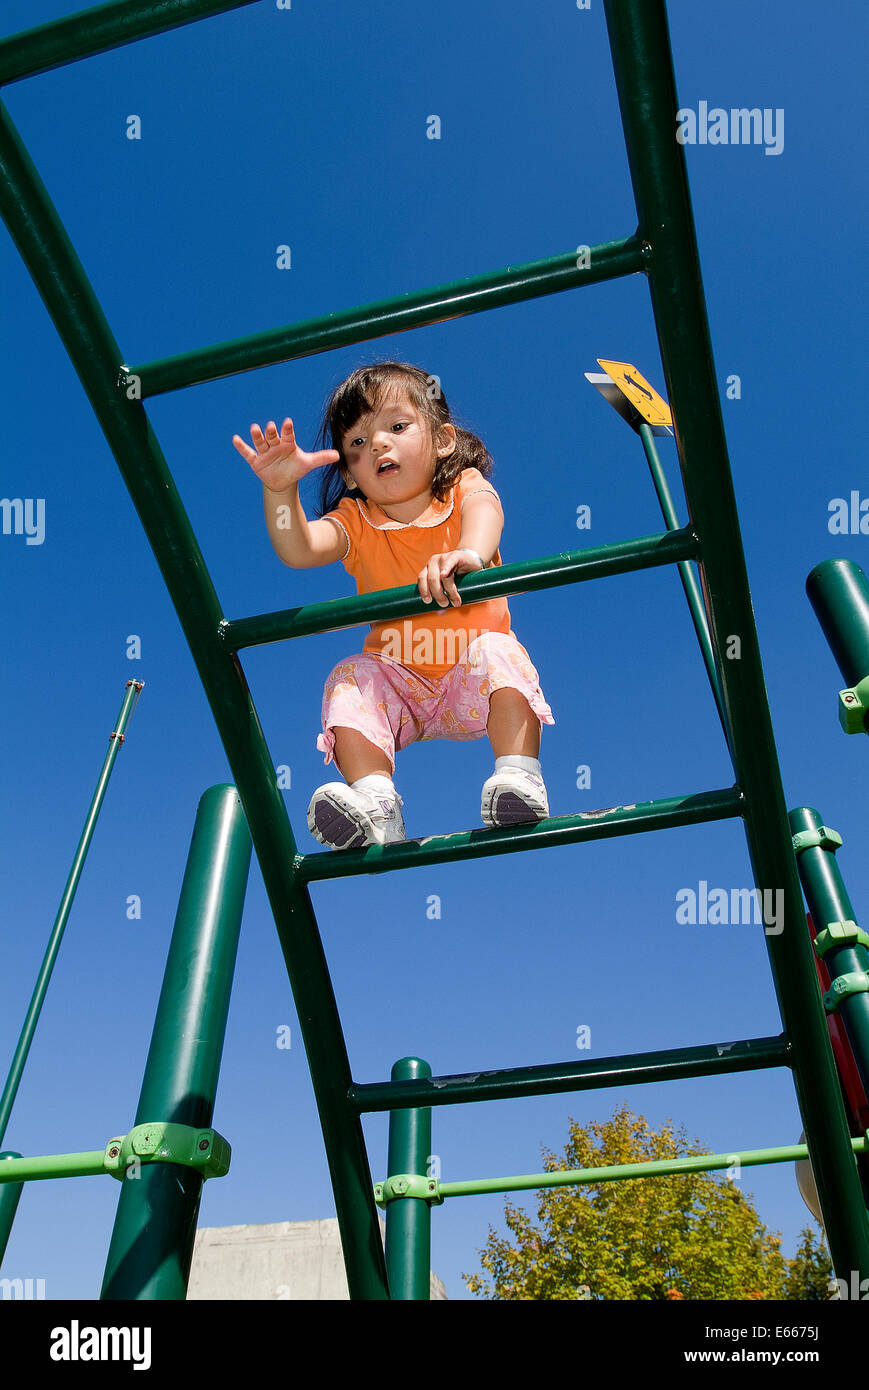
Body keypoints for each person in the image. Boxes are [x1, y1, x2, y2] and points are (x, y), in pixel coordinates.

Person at [233, 360, 555, 849]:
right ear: (351, 474)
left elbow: (486, 512)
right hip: (400, 679)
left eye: (397, 426)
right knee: (350, 675)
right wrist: (280, 490)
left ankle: (519, 776)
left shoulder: (460, 488)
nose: (377, 444)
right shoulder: (357, 520)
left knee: (500, 652)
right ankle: (376, 804)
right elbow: (298, 548)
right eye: (357, 443)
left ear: (443, 440)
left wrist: (470, 552)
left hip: (474, 673)